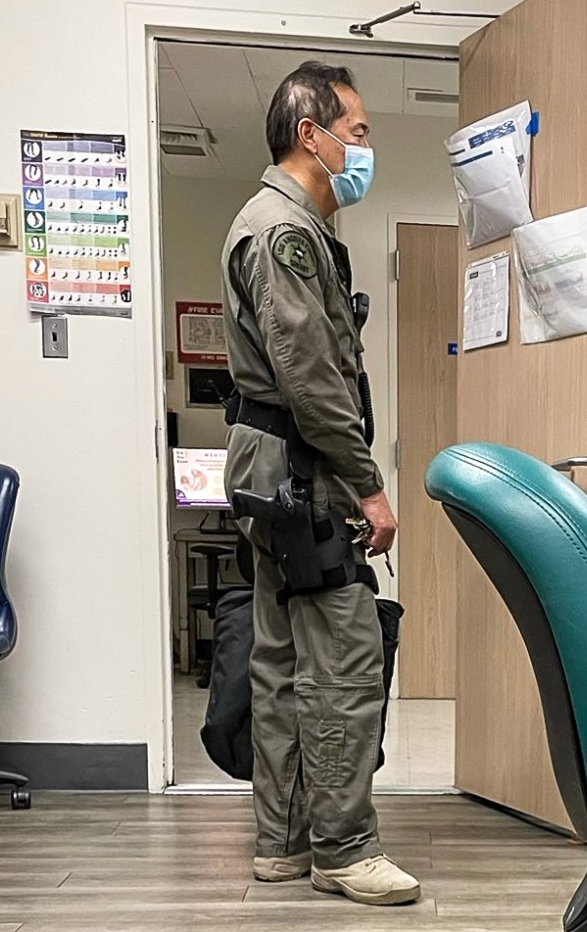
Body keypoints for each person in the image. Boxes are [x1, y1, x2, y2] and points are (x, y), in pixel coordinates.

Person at [221, 61, 420, 907]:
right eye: (360, 131)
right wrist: (368, 486)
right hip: (305, 477)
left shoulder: (279, 224)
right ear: (314, 135)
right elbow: (312, 379)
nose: (364, 147)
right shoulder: (285, 234)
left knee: (279, 659)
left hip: (274, 476)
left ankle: (283, 844)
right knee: (343, 657)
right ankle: (343, 848)